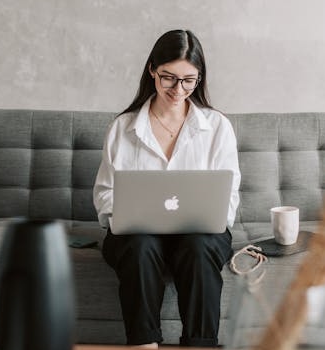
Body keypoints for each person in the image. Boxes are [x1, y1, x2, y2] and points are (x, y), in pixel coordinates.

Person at [92, 29, 241, 348]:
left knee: (199, 248)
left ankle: (200, 345)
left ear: (199, 78)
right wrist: (126, 215)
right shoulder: (123, 128)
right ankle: (144, 344)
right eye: (169, 78)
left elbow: (227, 196)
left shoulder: (217, 127)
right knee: (140, 248)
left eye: (189, 80)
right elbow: (105, 194)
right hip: (137, 236)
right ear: (151, 70)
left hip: (200, 234)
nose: (178, 89)